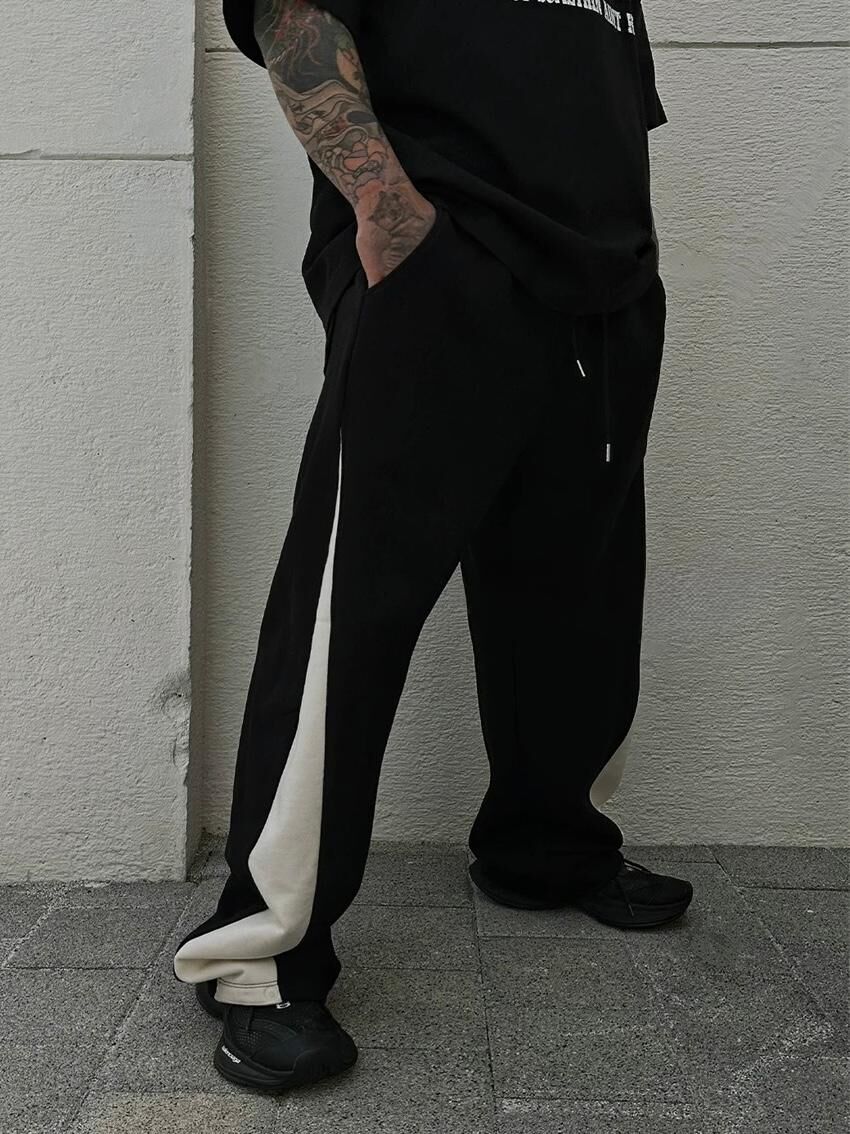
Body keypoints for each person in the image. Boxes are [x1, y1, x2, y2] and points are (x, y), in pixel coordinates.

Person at [173, 0, 693, 1092]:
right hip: (439, 262)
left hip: (602, 290)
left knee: (577, 593)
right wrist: (385, 205)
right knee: (349, 613)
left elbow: (593, 103)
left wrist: (633, 264)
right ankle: (261, 953)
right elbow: (293, 14)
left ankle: (544, 847)